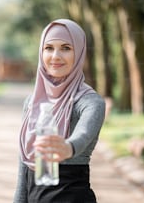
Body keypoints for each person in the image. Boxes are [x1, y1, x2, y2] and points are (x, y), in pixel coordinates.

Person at [13, 19, 106, 203]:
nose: (55, 56)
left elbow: (83, 135)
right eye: (49, 48)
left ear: (79, 52)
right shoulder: (31, 102)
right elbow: (23, 169)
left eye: (65, 48)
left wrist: (67, 147)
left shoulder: (90, 101)